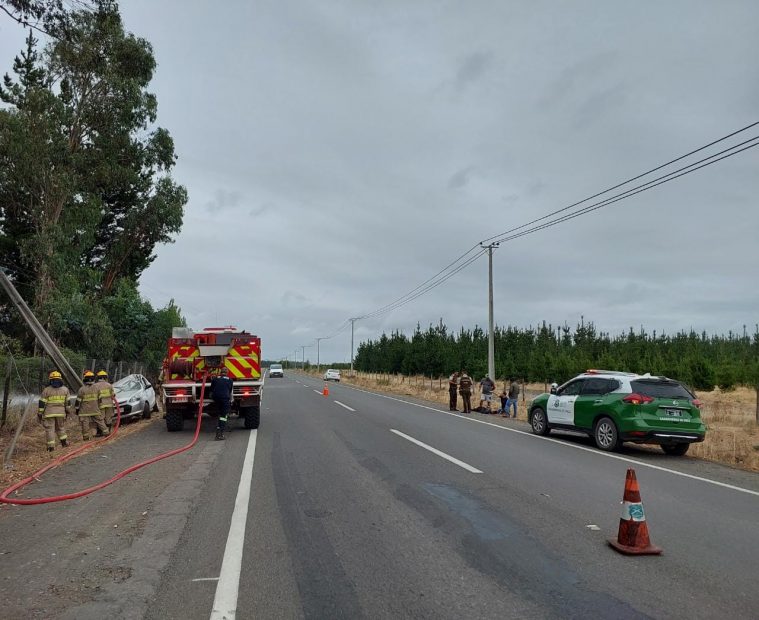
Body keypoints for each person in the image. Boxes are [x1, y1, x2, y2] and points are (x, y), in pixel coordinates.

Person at [38, 370, 70, 451]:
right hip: (61, 413)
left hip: (49, 414)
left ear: (50, 380)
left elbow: (42, 403)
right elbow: (68, 403)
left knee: (50, 429)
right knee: (61, 428)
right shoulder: (65, 390)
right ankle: (64, 443)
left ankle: (51, 448)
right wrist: (67, 411)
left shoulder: (46, 390)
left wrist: (40, 413)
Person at [76, 370, 109, 440]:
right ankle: (106, 433)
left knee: (85, 424)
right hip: (95, 409)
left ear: (85, 379)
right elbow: (100, 400)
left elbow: (78, 401)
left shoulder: (81, 389)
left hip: (84, 411)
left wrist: (77, 409)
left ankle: (86, 437)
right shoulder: (97, 388)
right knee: (100, 421)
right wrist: (99, 407)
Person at [211, 367, 234, 440]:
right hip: (224, 399)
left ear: (220, 372)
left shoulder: (215, 379)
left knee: (220, 414)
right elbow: (229, 390)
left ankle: (219, 428)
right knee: (223, 416)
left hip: (216, 399)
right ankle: (220, 433)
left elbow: (212, 388)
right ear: (227, 373)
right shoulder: (230, 380)